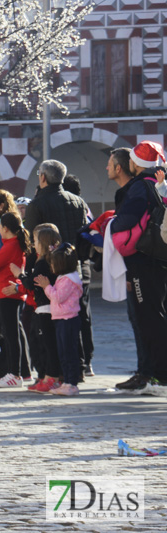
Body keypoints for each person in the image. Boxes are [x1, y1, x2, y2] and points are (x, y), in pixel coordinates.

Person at [23, 161, 92, 376]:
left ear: (43, 177)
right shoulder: (78, 201)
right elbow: (82, 237)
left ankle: (55, 370)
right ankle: (80, 365)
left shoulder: (38, 203)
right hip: (73, 267)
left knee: (53, 321)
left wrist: (32, 271)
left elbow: (31, 243)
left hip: (49, 267)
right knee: (76, 316)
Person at [110, 141, 167, 389]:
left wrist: (110, 225)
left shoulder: (139, 187)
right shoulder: (155, 183)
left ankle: (157, 376)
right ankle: (148, 373)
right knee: (149, 317)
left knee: (148, 318)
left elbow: (128, 219)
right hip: (154, 258)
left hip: (143, 260)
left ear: (134, 163)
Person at [105, 148, 146, 385]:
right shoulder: (134, 190)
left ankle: (146, 372)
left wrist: (109, 225)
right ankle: (144, 370)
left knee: (141, 319)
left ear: (119, 168)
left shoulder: (132, 192)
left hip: (138, 265)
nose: (107, 168)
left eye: (109, 164)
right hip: (138, 264)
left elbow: (127, 229)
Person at [11, 224, 61, 393]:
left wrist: (19, 274)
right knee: (42, 345)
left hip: (45, 307)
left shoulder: (43, 263)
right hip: (44, 306)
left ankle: (51, 377)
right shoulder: (47, 260)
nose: (34, 244)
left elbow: (31, 283)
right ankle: (45, 376)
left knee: (47, 346)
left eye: (36, 240)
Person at [0, 212, 31, 388]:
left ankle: (14, 374)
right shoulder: (12, 244)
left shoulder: (10, 246)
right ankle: (16, 373)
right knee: (12, 333)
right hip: (6, 293)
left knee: (11, 335)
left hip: (7, 294)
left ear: (5, 228)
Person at [35, 243, 84, 396]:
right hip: (61, 319)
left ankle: (72, 383)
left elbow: (57, 297)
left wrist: (46, 286)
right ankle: (67, 382)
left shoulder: (68, 279)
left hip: (68, 320)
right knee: (63, 352)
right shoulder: (65, 277)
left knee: (69, 352)